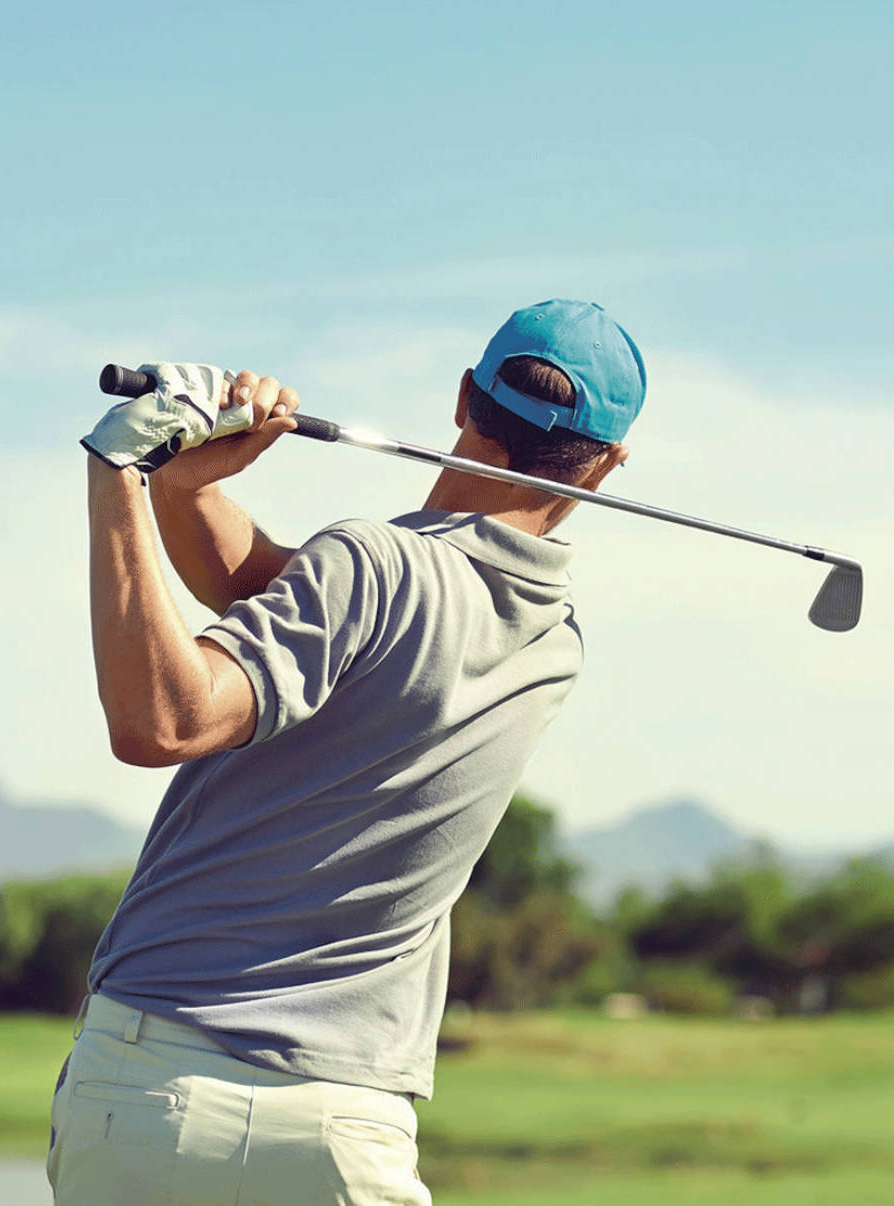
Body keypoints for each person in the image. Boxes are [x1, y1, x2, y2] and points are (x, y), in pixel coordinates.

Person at [50, 299, 647, 1205]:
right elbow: (279, 601)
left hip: (155, 1086)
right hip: (346, 1130)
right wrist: (189, 489)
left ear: (462, 399)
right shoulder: (552, 638)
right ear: (606, 467)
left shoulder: (371, 564)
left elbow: (162, 721)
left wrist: (122, 472)